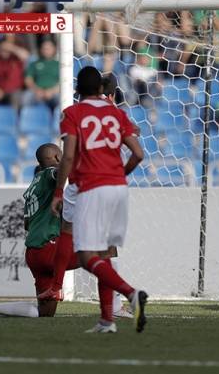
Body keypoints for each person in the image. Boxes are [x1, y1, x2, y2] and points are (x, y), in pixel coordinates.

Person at [51, 66, 147, 334]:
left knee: (86, 256)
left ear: (77, 89)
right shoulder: (117, 113)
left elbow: (69, 156)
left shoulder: (72, 113)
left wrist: (58, 192)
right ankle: (107, 320)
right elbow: (139, 154)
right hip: (118, 188)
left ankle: (131, 293)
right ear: (102, 89)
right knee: (105, 253)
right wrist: (120, 174)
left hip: (92, 187)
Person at [0, 144, 80, 318]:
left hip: (34, 253)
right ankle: (115, 306)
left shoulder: (33, 186)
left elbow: (27, 224)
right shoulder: (49, 174)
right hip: (49, 249)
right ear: (57, 158)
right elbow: (61, 171)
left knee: (44, 314)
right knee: (102, 252)